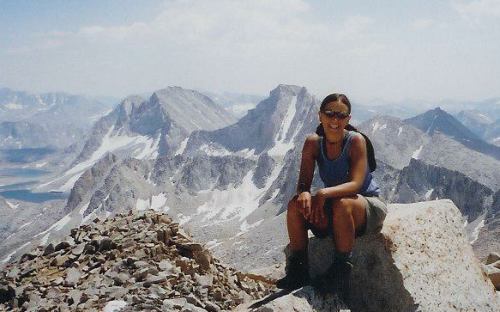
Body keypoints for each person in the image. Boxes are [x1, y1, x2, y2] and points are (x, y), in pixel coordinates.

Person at [276, 93, 387, 296]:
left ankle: (340, 269)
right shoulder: (312, 143)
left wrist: (323, 193)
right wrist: (304, 194)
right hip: (336, 205)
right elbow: (303, 183)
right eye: (330, 114)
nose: (335, 120)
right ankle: (299, 268)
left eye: (341, 115)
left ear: (348, 119)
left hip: (366, 206)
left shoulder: (355, 141)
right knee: (294, 206)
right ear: (320, 116)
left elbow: (356, 184)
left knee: (342, 204)